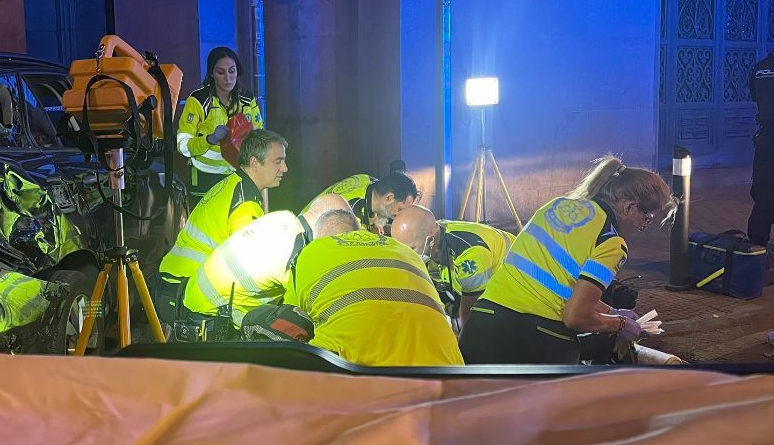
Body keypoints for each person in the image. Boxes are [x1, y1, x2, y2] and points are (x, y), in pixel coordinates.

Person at [458, 156, 676, 365]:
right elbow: (575, 316)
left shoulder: (557, 206)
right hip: (534, 341)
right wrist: (621, 324)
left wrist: (611, 311)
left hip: (482, 325)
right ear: (630, 207)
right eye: (647, 218)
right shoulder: (611, 242)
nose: (643, 227)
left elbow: (556, 285)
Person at [156, 129, 289, 320]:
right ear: (254, 163)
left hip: (172, 283)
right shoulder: (245, 204)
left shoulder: (232, 184)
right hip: (186, 293)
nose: (285, 168)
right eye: (278, 161)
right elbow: (251, 266)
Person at [283, 228, 464, 367]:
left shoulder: (312, 250)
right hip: (446, 373)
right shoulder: (407, 252)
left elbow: (287, 318)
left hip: (353, 377)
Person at [179, 194, 356, 330]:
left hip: (193, 298)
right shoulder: (296, 254)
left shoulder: (283, 218)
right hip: (212, 320)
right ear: (329, 229)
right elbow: (308, 310)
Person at [391, 205, 514, 327]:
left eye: (412, 248)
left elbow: (471, 313)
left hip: (513, 285)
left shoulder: (469, 251)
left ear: (431, 239)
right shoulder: (429, 233)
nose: (407, 256)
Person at [177, 47, 264, 206]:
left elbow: (260, 139)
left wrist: (251, 136)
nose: (228, 78)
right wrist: (210, 139)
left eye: (232, 71)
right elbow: (182, 146)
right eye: (220, 72)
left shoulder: (247, 100)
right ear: (211, 73)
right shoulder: (197, 100)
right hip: (205, 178)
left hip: (240, 174)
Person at [304, 170, 418, 233]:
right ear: (389, 198)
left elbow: (379, 215)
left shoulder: (367, 181)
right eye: (400, 210)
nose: (400, 215)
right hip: (303, 244)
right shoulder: (354, 214)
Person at [748, 53, 774, 250]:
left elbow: (755, 97)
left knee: (764, 191)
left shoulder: (760, 68)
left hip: (767, 139)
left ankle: (756, 249)